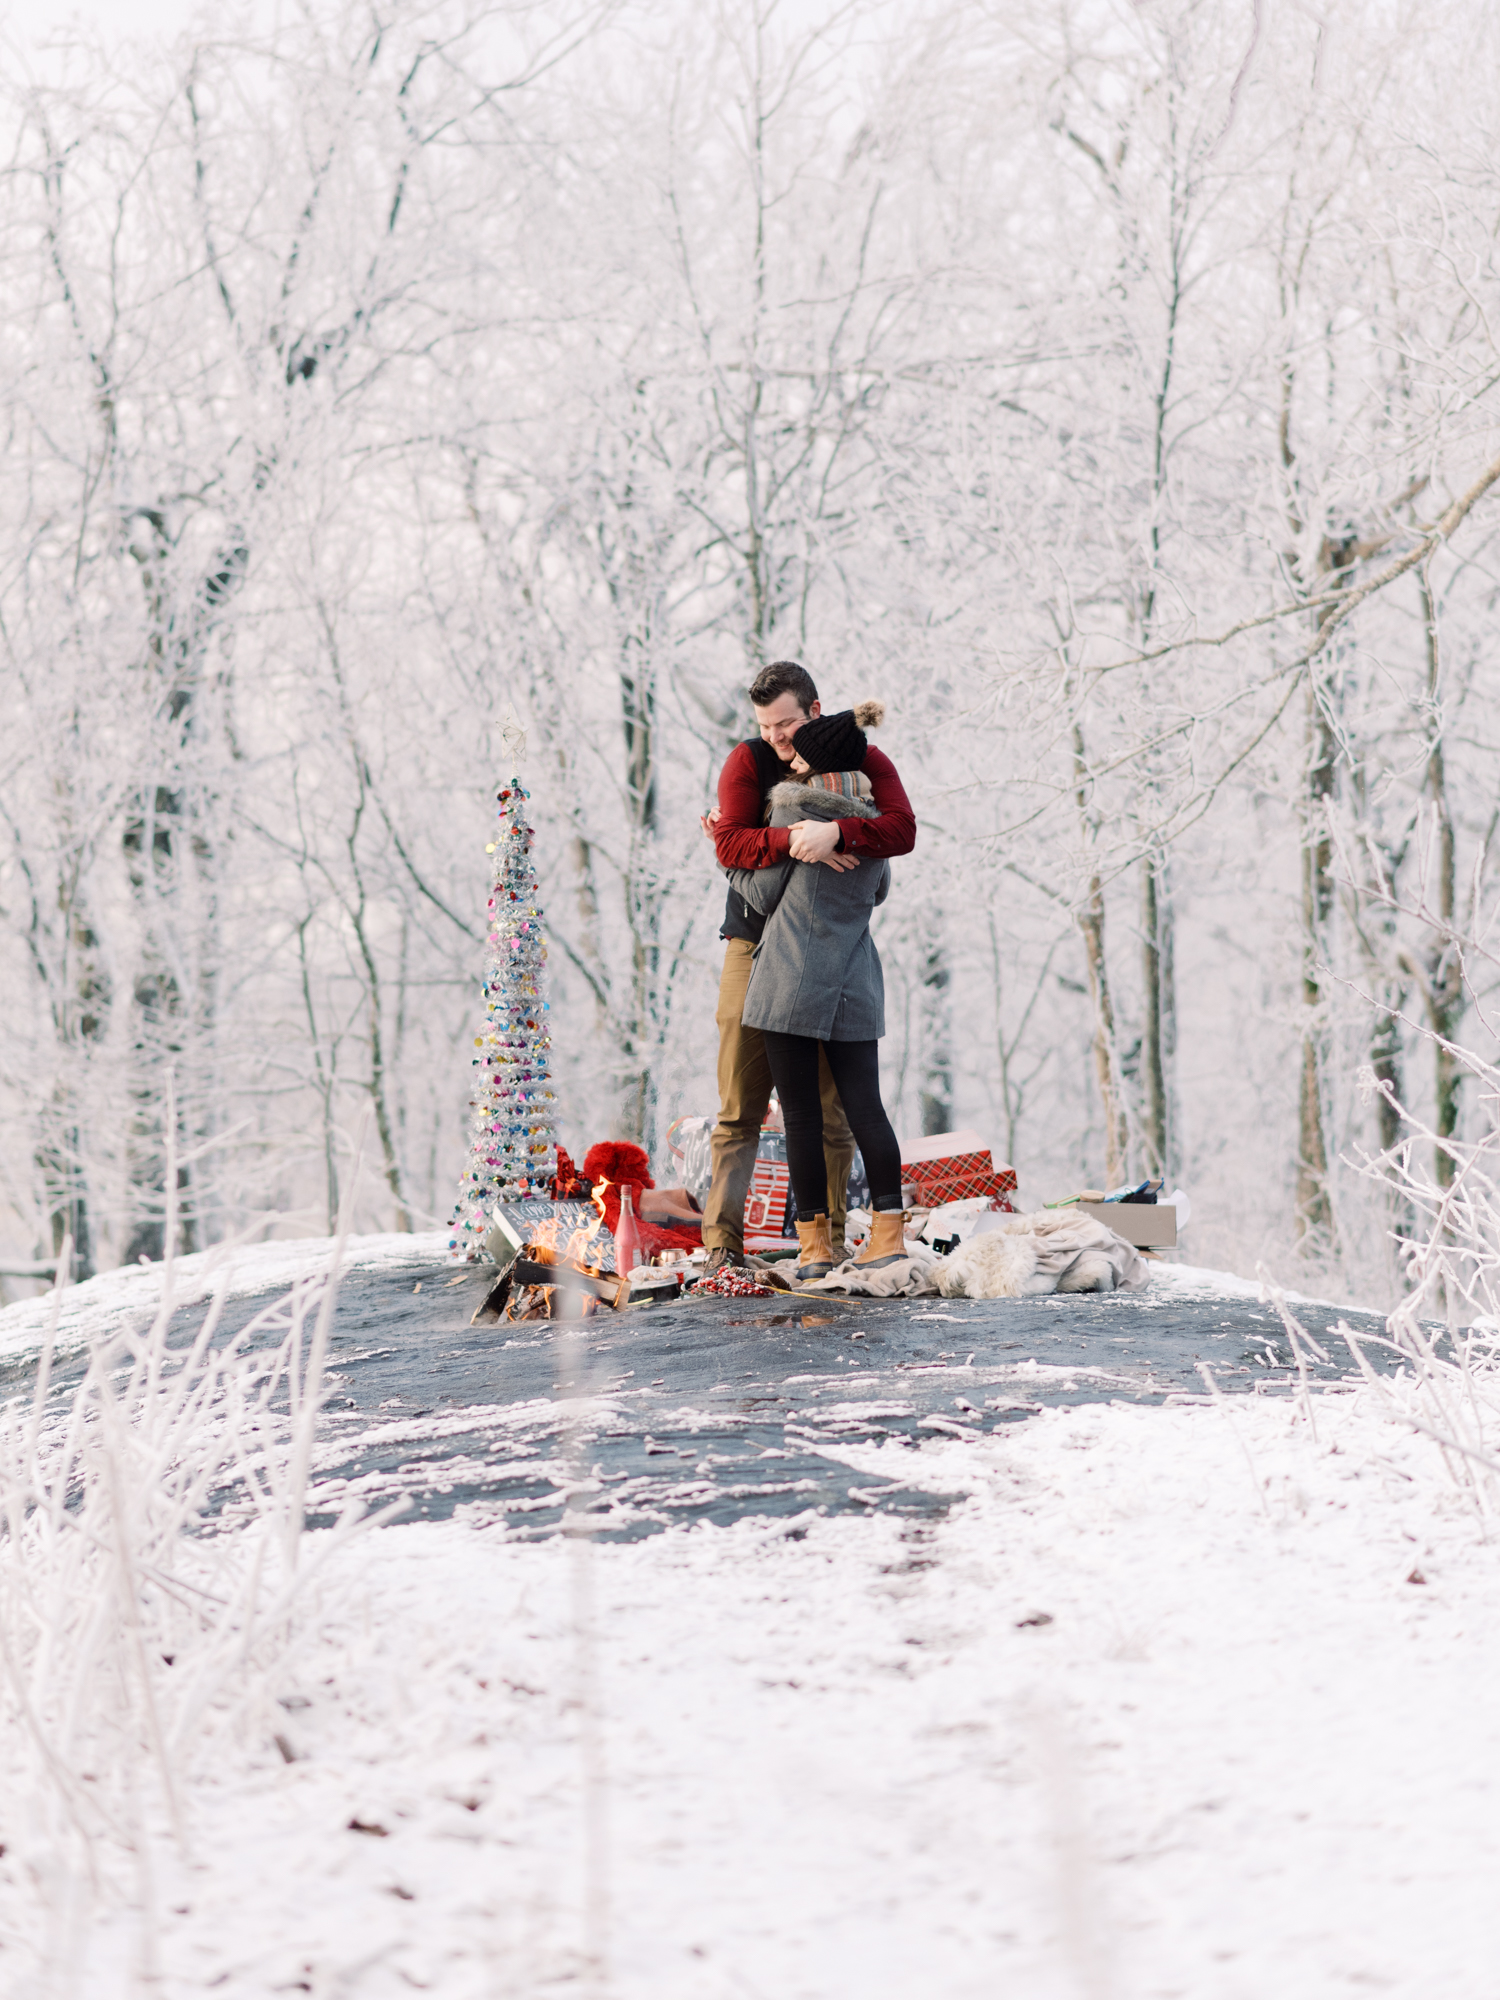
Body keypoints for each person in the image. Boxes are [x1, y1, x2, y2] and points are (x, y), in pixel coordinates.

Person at [700, 661, 916, 1275]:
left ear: (815, 711)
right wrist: (801, 838)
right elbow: (731, 846)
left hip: (829, 946)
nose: (776, 738)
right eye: (766, 726)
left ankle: (828, 1240)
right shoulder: (748, 762)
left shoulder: (863, 760)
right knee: (742, 1101)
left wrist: (840, 833)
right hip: (755, 941)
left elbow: (900, 829)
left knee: (829, 1109)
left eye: (786, 723)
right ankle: (724, 1240)